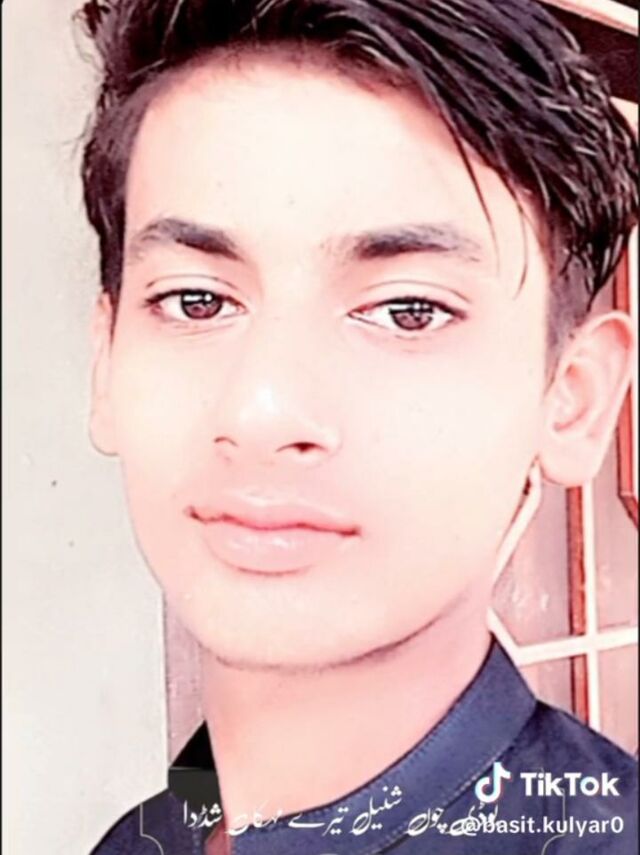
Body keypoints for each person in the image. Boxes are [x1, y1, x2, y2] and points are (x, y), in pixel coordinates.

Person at [80, 0, 638, 852]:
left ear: (573, 398)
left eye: (409, 310)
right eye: (196, 300)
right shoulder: (147, 835)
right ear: (105, 361)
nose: (262, 411)